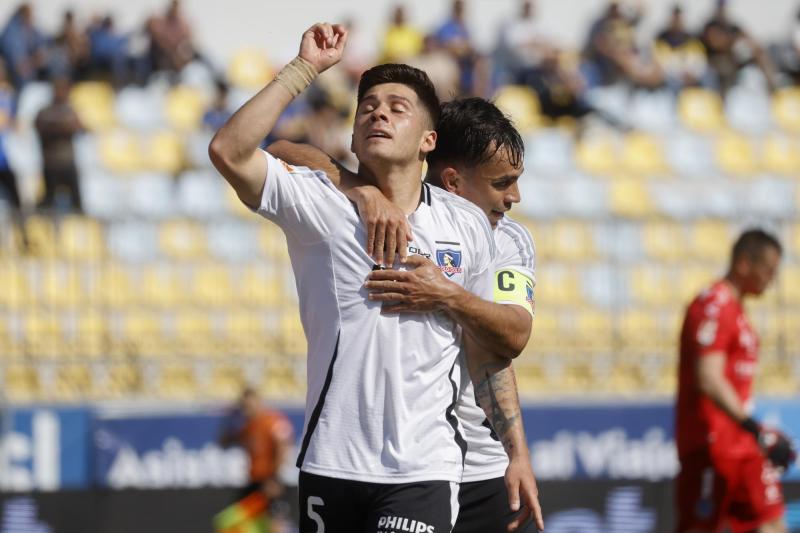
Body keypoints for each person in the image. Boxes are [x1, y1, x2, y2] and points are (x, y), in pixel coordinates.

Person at [209, 22, 540, 532]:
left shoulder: (467, 226)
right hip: (330, 462)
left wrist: (515, 451)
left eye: (397, 107)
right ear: (353, 137)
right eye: (367, 107)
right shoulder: (320, 205)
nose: (378, 112)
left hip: (423, 468)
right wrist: (304, 70)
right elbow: (232, 150)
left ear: (428, 140)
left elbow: (491, 349)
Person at [271, 96, 540, 533]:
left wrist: (447, 296)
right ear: (453, 181)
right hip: (393, 466)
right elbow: (281, 152)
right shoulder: (376, 210)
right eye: (502, 183)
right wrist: (359, 189)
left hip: (479, 469)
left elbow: (509, 339)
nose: (515, 197)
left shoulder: (508, 240)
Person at [674, 229, 796, 533]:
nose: (771, 279)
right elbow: (709, 377)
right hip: (710, 444)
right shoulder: (713, 306)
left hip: (742, 446)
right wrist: (756, 428)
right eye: (768, 270)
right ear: (744, 264)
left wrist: (754, 434)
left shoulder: (736, 310)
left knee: (772, 523)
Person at [219, 388, 294, 528]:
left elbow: (282, 447)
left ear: (259, 403)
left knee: (275, 522)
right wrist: (230, 418)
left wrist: (274, 477)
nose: (247, 410)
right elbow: (224, 442)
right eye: (244, 406)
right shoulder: (247, 426)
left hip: (269, 480)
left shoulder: (272, 421)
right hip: (254, 482)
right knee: (232, 522)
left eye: (249, 405)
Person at [35, 77, 83, 213]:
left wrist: (58, 126)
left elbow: (78, 127)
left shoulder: (70, 111)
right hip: (51, 163)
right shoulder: (45, 111)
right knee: (47, 205)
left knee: (77, 205)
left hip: (68, 163)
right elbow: (40, 126)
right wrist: (63, 126)